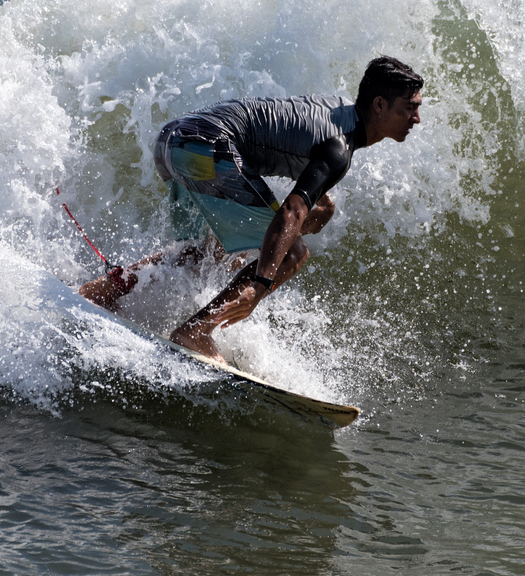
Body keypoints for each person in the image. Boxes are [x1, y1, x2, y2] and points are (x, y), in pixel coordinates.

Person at [78, 56, 425, 358]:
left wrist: (321, 207)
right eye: (409, 108)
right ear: (379, 106)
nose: (417, 118)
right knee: (291, 253)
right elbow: (291, 211)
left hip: (174, 141)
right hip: (205, 149)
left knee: (214, 251)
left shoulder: (337, 109)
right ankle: (196, 331)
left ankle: (102, 291)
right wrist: (259, 284)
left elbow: (290, 153)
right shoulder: (339, 147)